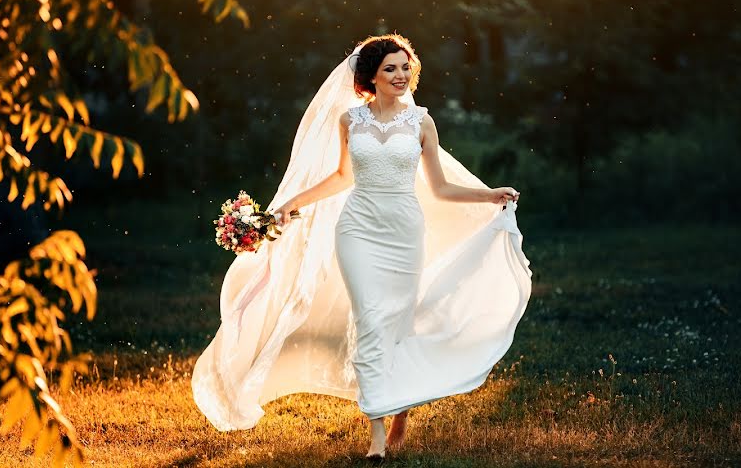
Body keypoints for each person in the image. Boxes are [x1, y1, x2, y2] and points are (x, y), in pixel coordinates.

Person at [192, 34, 531, 460]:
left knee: (399, 325)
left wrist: (489, 196)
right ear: (370, 76)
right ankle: (375, 432)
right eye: (390, 68)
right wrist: (289, 204)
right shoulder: (351, 121)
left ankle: (400, 412)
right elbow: (340, 177)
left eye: (405, 67)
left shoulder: (421, 122)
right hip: (358, 231)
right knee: (370, 320)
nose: (401, 75)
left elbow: (441, 187)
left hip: (405, 232)